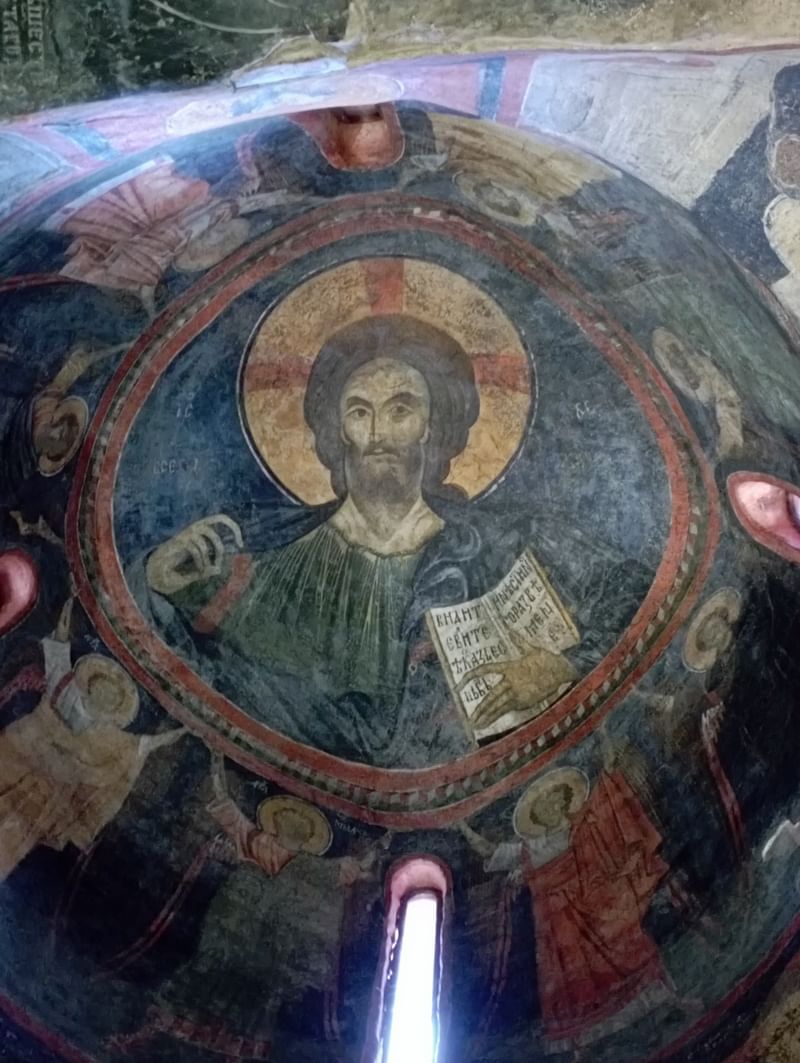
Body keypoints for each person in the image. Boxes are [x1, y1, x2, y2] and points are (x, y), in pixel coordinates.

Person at [139, 314, 649, 767]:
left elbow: (634, 590)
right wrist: (157, 585)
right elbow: (199, 666)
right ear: (339, 428)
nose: (379, 433)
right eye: (359, 412)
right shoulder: (266, 552)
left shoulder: (501, 543)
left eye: (400, 410)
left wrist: (563, 665)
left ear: (430, 425)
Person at [461, 767, 676, 1056]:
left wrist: (608, 761)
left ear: (566, 802)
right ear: (536, 818)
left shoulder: (583, 826)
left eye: (555, 802)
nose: (550, 809)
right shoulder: (531, 848)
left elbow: (608, 809)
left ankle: (664, 1004)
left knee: (626, 950)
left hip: (595, 907)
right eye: (543, 808)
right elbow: (489, 850)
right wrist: (462, 827)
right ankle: (582, 1046)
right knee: (574, 985)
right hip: (559, 928)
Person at [0, 595, 186, 880]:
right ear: (91, 683)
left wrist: (182, 729)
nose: (105, 696)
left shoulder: (109, 736)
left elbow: (141, 746)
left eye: (111, 697)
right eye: (103, 689)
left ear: (115, 708)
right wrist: (69, 604)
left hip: (43, 799)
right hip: (17, 759)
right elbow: (59, 647)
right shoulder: (65, 689)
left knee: (12, 840)